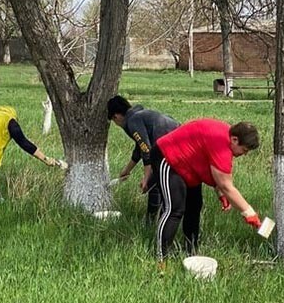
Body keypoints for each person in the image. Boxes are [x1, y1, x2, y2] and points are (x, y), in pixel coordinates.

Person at [151, 119, 262, 264]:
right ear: (235, 139)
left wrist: (220, 192)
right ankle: (161, 260)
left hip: (189, 166)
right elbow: (227, 185)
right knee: (174, 210)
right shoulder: (221, 143)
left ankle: (191, 252)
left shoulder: (225, 139)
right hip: (169, 158)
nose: (244, 154)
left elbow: (215, 170)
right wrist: (249, 213)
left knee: (195, 206)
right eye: (244, 150)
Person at [107, 95, 179, 226]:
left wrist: (146, 177)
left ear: (116, 116)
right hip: (174, 140)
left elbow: (146, 150)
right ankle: (157, 219)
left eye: (114, 121)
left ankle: (151, 223)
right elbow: (139, 148)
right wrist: (127, 170)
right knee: (158, 182)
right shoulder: (138, 114)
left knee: (153, 184)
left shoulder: (132, 121)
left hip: (173, 146)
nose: (116, 124)